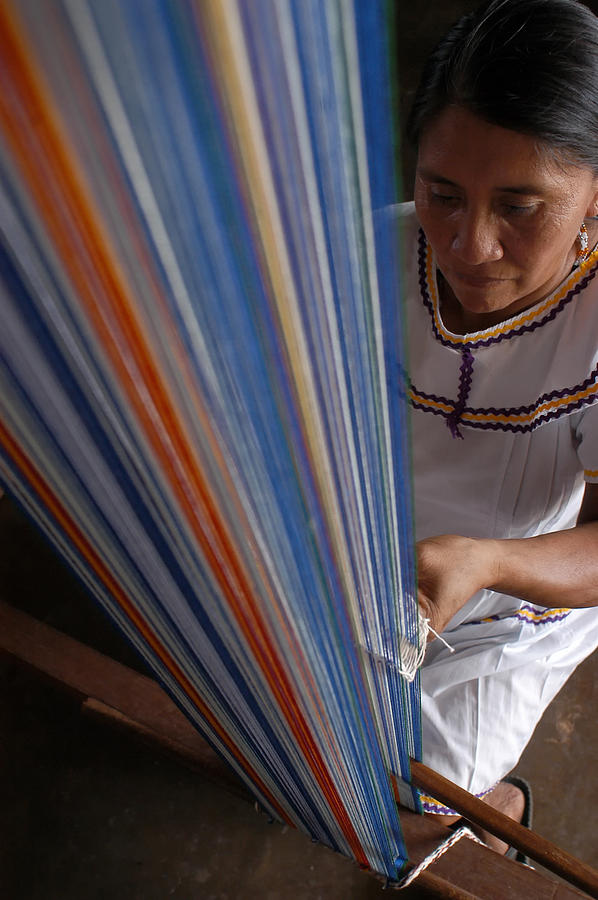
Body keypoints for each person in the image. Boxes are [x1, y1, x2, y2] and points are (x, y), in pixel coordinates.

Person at [388, 0, 598, 853]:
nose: (469, 245)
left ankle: (499, 806)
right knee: (293, 733)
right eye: (442, 193)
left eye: (520, 206)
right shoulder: (362, 257)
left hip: (519, 596)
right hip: (375, 560)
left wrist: (491, 561)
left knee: (413, 806)